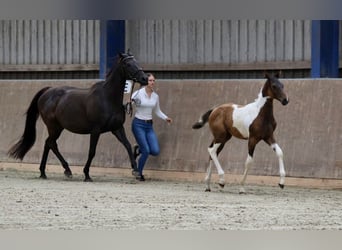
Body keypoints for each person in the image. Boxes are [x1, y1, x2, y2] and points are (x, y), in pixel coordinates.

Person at [131, 73, 172, 181]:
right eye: (150, 80)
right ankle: (138, 173)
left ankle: (137, 150)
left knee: (155, 150)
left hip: (149, 126)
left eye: (153, 81)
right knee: (146, 150)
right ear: (146, 81)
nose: (152, 83)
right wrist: (131, 102)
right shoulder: (138, 93)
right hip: (138, 124)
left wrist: (165, 118)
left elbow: (157, 110)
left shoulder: (155, 96)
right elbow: (129, 102)